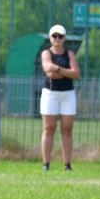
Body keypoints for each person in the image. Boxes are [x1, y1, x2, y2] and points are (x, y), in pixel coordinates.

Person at [40, 24, 80, 171]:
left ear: (64, 38)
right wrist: (66, 71)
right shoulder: (46, 53)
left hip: (68, 94)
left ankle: (67, 164)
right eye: (54, 36)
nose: (57, 39)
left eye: (60, 36)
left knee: (67, 129)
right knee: (49, 128)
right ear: (50, 38)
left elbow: (76, 74)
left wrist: (57, 68)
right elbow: (49, 73)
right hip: (50, 94)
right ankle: (46, 163)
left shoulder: (70, 55)